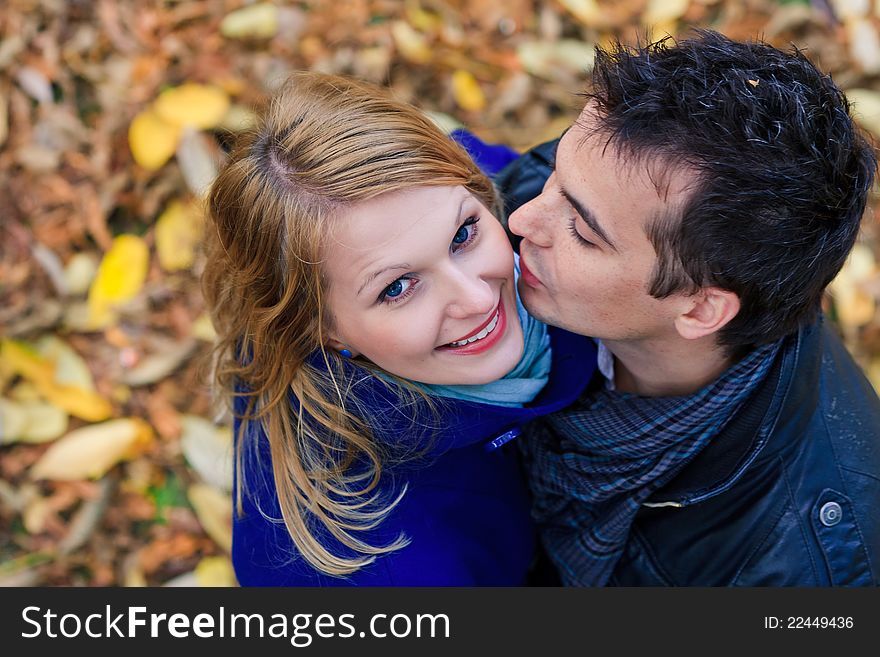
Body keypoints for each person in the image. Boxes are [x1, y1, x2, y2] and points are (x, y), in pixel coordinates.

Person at [495, 30, 880, 586]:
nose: (522, 219)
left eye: (580, 231)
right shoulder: (616, 176)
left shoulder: (796, 575)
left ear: (701, 310)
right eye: (556, 173)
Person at [201, 72, 596, 586]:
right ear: (321, 330)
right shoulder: (384, 564)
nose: (477, 298)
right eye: (397, 288)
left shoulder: (424, 195)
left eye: (463, 235)